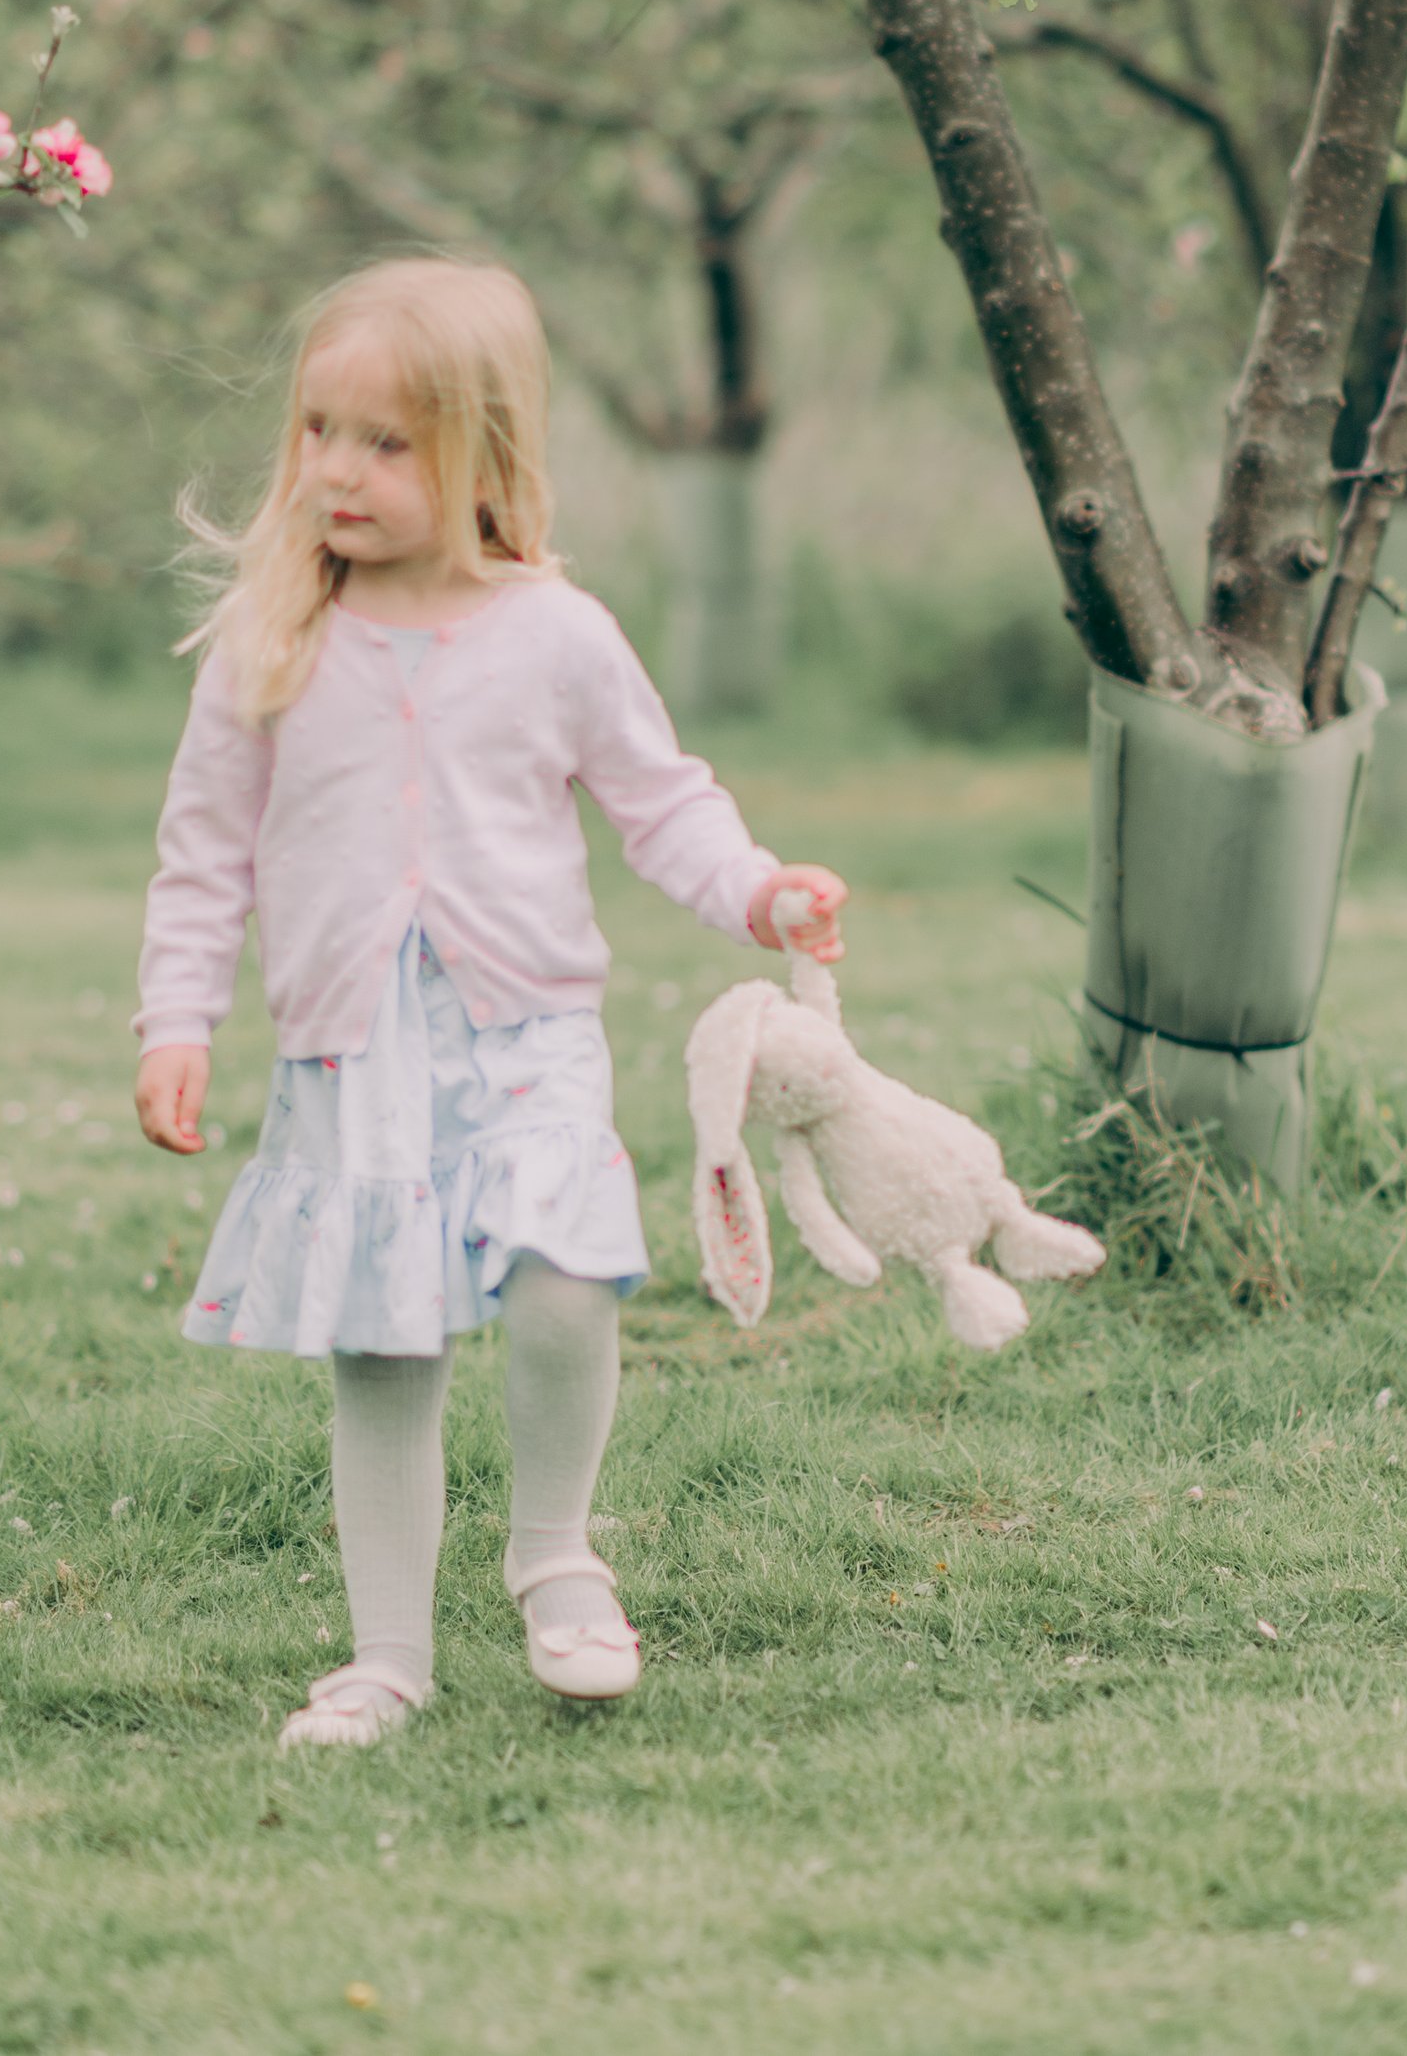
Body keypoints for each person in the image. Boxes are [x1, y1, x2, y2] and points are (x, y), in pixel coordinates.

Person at [133, 254, 847, 1750]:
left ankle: (554, 1555)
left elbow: (663, 806)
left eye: (385, 443)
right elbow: (201, 853)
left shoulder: (554, 634)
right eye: (318, 431)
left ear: (483, 456)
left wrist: (760, 888)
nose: (337, 469)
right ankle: (386, 1655)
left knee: (565, 1278)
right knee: (385, 1344)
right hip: (349, 1049)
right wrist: (177, 1023)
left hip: (524, 1032)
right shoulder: (276, 638)